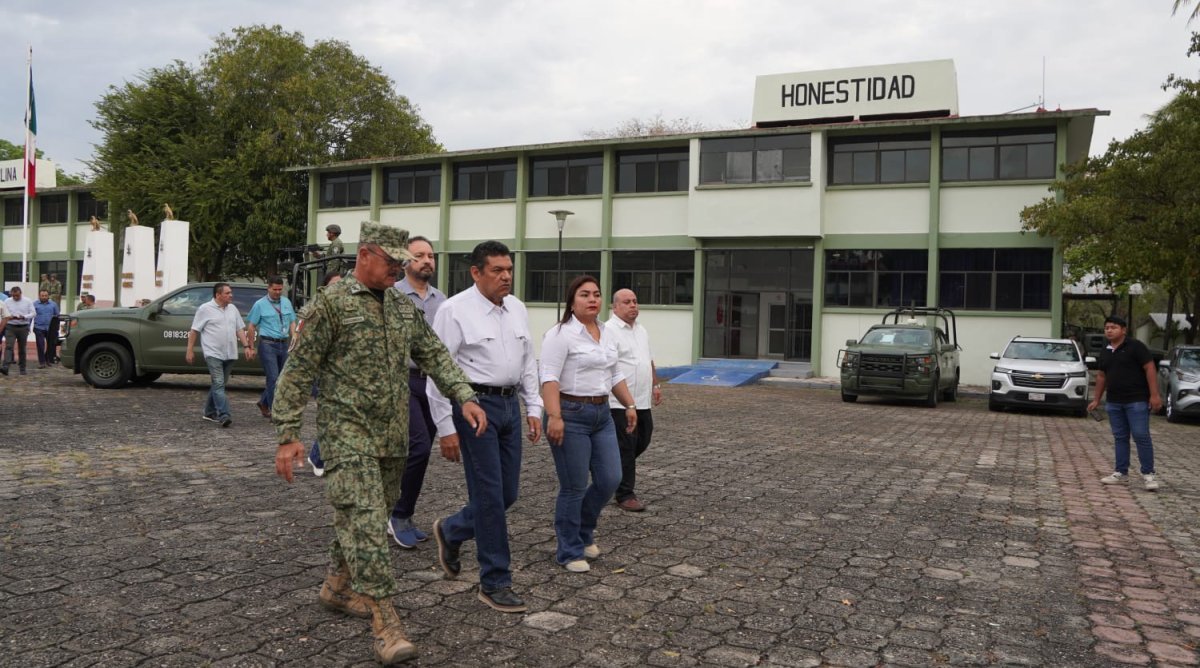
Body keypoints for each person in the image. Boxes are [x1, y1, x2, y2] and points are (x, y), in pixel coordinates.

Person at [272, 222, 486, 664]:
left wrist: (463, 395)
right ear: (364, 255)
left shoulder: (401, 307)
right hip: (346, 435)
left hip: (393, 436)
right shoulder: (330, 304)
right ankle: (386, 624)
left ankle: (336, 587)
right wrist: (288, 435)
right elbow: (297, 372)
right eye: (390, 262)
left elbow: (433, 354)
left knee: (361, 516)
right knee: (368, 522)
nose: (397, 269)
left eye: (400, 262)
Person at [427, 240, 543, 613]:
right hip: (474, 408)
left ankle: (452, 530)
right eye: (497, 270)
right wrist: (445, 426)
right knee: (490, 497)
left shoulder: (517, 308)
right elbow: (437, 372)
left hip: (509, 406)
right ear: (476, 272)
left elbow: (528, 362)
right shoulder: (454, 310)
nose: (506, 276)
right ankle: (495, 580)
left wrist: (534, 407)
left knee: (507, 495)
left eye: (509, 269)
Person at [539, 276, 638, 574]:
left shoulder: (606, 332)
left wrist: (630, 404)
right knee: (574, 486)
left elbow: (614, 373)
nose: (592, 299)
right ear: (572, 301)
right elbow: (549, 378)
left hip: (602, 414)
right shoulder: (560, 334)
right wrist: (554, 416)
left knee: (610, 478)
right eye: (585, 295)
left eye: (596, 294)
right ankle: (569, 548)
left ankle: (583, 527)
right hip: (569, 413)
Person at [386, 236, 446, 549]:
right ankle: (397, 513)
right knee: (418, 446)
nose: (427, 261)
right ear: (406, 261)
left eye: (430, 256)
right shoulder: (392, 296)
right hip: (402, 381)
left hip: (433, 384)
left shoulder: (442, 300)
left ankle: (403, 513)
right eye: (419, 255)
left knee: (420, 452)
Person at [606, 288, 664, 512]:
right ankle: (625, 494)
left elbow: (647, 360)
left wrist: (655, 385)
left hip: (641, 400)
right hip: (619, 402)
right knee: (627, 447)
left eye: (635, 301)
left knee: (643, 439)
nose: (633, 306)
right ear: (615, 307)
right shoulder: (608, 331)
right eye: (627, 302)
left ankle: (610, 467)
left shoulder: (641, 330)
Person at [1090, 315, 1163, 491]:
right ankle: (1121, 473)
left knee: (1141, 436)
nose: (1109, 330)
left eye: (1113, 327)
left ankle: (1148, 475)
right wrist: (1096, 399)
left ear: (1123, 330)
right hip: (1114, 402)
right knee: (1120, 438)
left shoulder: (1136, 347)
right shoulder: (1106, 350)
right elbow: (1101, 375)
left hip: (1136, 400)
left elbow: (1150, 368)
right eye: (1106, 327)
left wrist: (1154, 395)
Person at [185, 283, 254, 428]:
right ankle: (224, 414)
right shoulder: (205, 309)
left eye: (231, 293)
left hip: (230, 353)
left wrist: (246, 346)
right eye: (227, 293)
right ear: (218, 295)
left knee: (219, 384)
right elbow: (194, 331)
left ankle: (209, 412)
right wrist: (189, 350)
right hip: (213, 353)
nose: (231, 295)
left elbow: (240, 329)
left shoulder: (233, 309)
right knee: (218, 383)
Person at [304, 272, 342, 477]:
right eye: (334, 284)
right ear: (325, 287)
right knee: (331, 418)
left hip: (345, 376)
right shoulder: (316, 310)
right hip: (324, 374)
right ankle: (318, 457)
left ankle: (318, 455)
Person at [245, 276, 298, 419]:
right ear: (268, 288)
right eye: (274, 289)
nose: (277, 292)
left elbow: (292, 321)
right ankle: (277, 412)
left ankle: (264, 402)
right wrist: (250, 346)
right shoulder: (260, 304)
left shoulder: (286, 302)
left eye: (280, 289)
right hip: (268, 344)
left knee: (282, 379)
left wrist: (294, 338)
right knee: (273, 377)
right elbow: (251, 326)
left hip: (284, 343)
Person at [1, 286, 35, 376]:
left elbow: (33, 313)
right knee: (9, 346)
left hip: (23, 326)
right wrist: (9, 316)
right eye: (13, 296)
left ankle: (22, 368)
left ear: (21, 293)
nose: (15, 297)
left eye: (17, 295)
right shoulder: (7, 301)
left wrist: (24, 316)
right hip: (10, 326)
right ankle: (5, 367)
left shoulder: (28, 301)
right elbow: (4, 313)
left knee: (22, 348)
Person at [33, 290, 60, 369]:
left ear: (48, 296)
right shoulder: (35, 304)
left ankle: (47, 359)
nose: (44, 297)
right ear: (39, 296)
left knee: (51, 345)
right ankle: (42, 362)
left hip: (50, 328)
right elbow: (31, 316)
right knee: (40, 345)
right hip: (39, 328)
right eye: (42, 295)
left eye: (45, 295)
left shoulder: (53, 304)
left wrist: (57, 327)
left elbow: (57, 316)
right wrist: (28, 326)